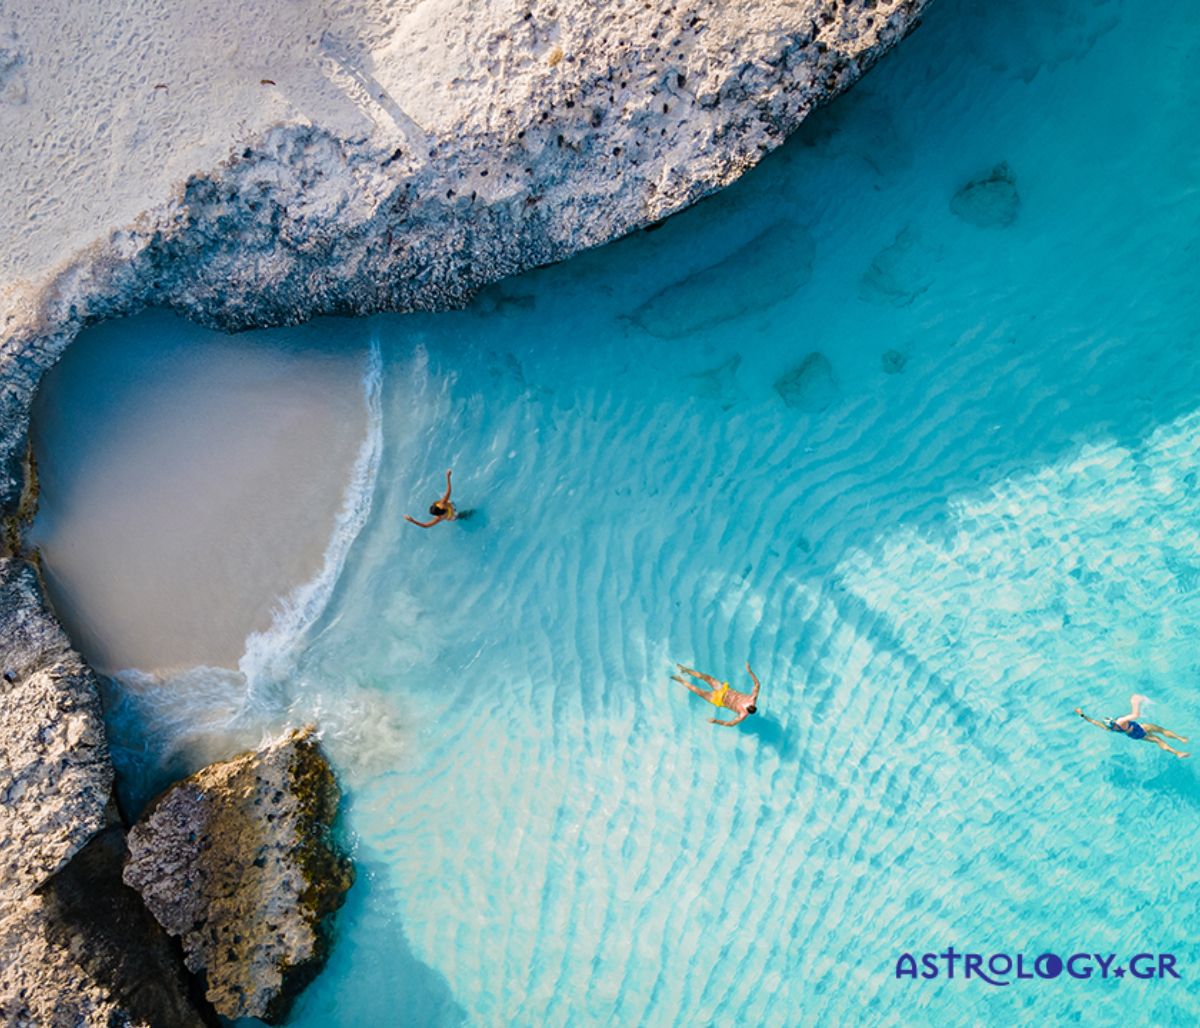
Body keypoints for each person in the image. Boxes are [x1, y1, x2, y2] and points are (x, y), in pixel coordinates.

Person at [1075, 693, 1189, 758]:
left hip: (1135, 735)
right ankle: (1181, 739)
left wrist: (1082, 715)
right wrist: (1135, 702)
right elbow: (1135, 715)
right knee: (1161, 731)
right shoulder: (1120, 721)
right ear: (1113, 721)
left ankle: (1177, 752)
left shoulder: (1111, 729)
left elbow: (1094, 722)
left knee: (1157, 740)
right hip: (1139, 728)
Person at [672, 661, 760, 727]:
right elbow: (757, 684)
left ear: (748, 711)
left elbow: (730, 724)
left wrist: (716, 721)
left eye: (748, 709)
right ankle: (685, 670)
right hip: (723, 689)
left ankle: (680, 680)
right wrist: (749, 671)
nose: (749, 706)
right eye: (751, 706)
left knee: (697, 690)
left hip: (719, 700)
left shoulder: (743, 714)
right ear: (753, 705)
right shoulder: (752, 698)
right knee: (705, 677)